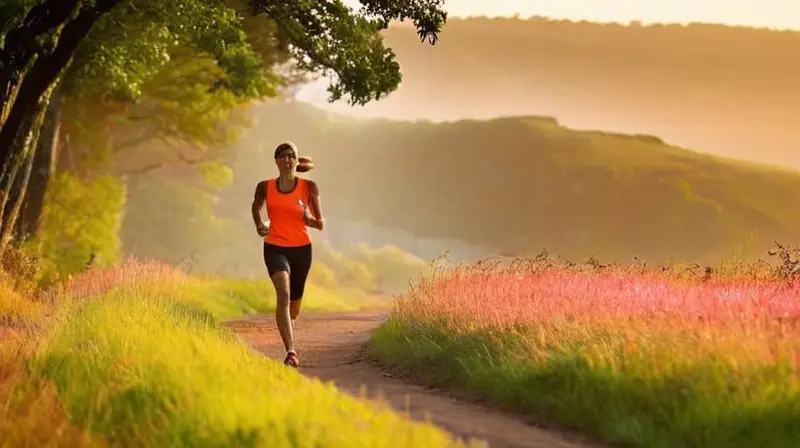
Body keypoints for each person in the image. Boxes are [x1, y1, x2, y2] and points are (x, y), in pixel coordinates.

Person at [250, 141, 324, 368]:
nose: (287, 160)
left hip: (302, 249)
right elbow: (256, 206)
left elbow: (320, 224)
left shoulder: (308, 188)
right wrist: (259, 224)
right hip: (274, 246)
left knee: (293, 305)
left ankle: (289, 322)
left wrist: (308, 218)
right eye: (282, 156)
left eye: (291, 156)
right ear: (276, 161)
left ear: (296, 160)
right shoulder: (265, 186)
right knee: (283, 293)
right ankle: (290, 351)